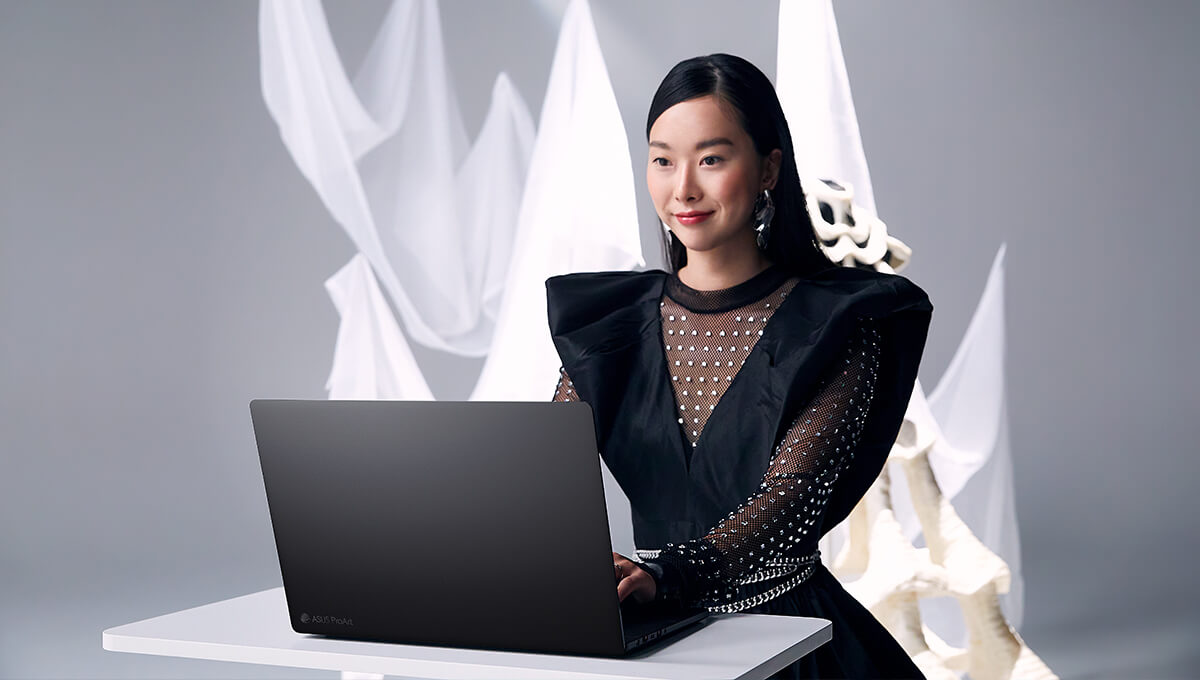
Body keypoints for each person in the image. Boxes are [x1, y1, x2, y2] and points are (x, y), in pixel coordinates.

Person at [546, 53, 932, 679]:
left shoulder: (838, 319)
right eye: (662, 159)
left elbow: (791, 501)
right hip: (654, 633)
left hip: (788, 639)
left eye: (712, 158)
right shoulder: (612, 322)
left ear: (768, 168)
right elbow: (546, 480)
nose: (683, 189)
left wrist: (665, 575)